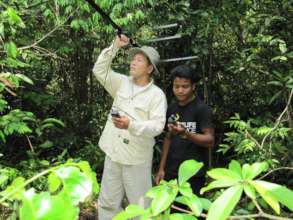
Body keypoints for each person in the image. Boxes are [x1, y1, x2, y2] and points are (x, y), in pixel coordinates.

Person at [92, 34, 167, 220]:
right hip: (113, 153)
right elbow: (99, 70)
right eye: (133, 59)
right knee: (108, 203)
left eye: (139, 60)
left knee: (140, 207)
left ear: (150, 68)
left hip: (137, 159)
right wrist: (115, 46)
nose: (133, 63)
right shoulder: (121, 83)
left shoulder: (157, 95)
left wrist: (131, 125)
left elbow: (158, 126)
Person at [155, 65, 214, 195]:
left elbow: (210, 140)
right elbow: (168, 138)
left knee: (190, 214)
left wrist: (185, 133)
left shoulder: (202, 109)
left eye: (185, 86)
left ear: (193, 87)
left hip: (194, 175)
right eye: (176, 87)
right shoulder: (171, 108)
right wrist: (161, 169)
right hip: (171, 173)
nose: (180, 90)